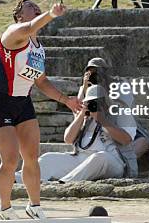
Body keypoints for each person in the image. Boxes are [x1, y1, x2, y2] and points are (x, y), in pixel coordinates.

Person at [0, 0, 82, 220]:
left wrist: (66, 100)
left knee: (31, 156)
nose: (36, 8)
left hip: (23, 103)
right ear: (19, 15)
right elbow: (29, 28)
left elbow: (42, 81)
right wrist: (51, 14)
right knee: (9, 160)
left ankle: (34, 206)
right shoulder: (13, 33)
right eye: (30, 6)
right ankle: (5, 208)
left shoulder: (38, 49)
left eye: (38, 7)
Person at [11, 57, 139, 183]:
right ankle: (14, 178)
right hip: (81, 158)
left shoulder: (120, 106)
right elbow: (68, 139)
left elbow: (126, 139)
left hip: (112, 160)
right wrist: (82, 114)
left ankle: (63, 184)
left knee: (99, 158)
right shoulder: (85, 106)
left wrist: (102, 120)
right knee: (48, 159)